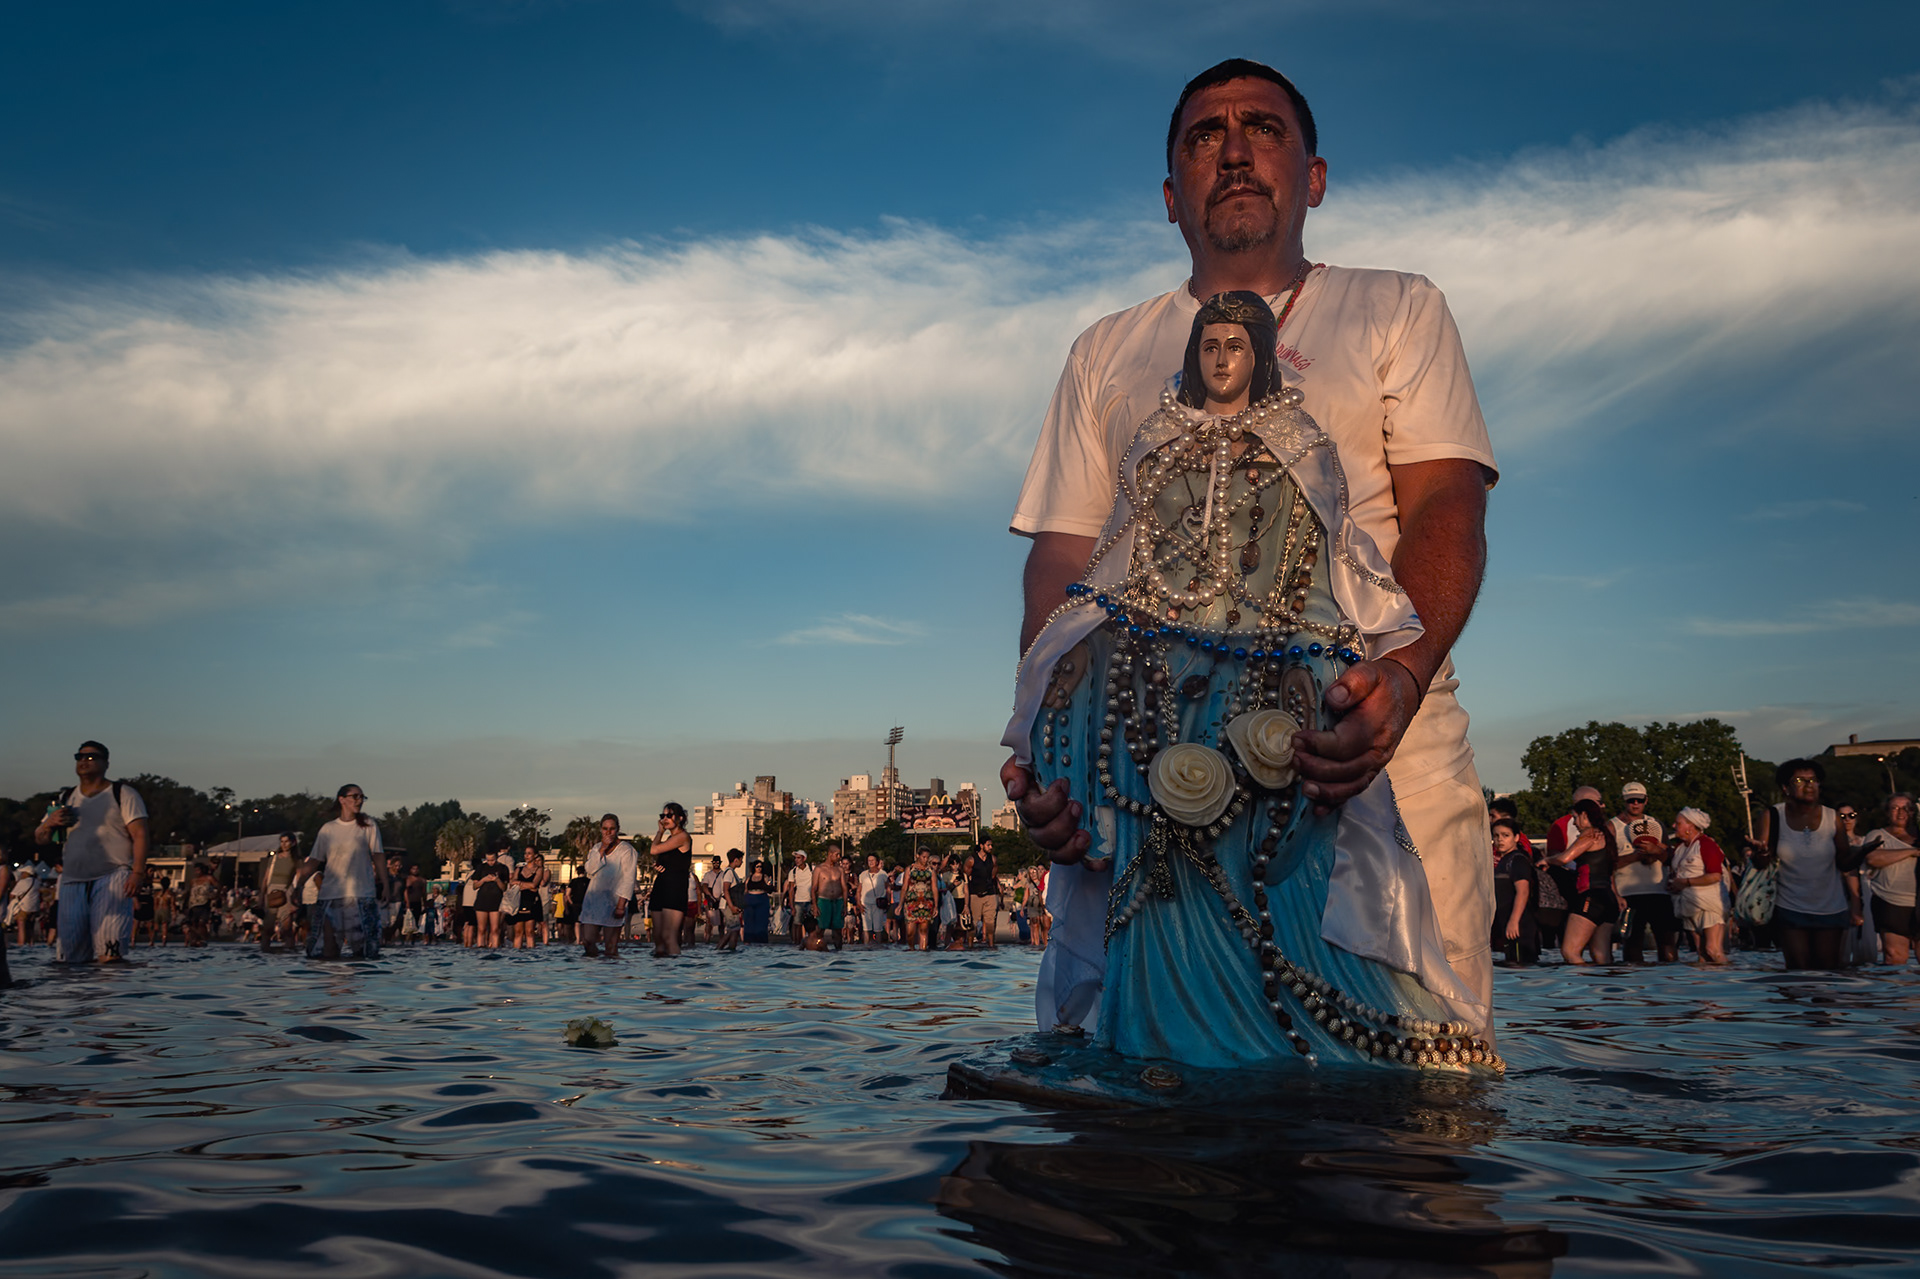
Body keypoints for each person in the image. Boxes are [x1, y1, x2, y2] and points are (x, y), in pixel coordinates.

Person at [1000, 60, 1499, 1062]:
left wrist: (1399, 680)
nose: (1232, 150)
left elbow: (1446, 502)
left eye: (1261, 128)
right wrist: (1052, 757)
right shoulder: (1105, 351)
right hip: (1143, 776)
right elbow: (1062, 564)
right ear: (1171, 197)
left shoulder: (1395, 307)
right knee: (1138, 1115)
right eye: (1202, 136)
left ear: (1313, 176)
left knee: (1411, 1108)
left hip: (1369, 747)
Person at [34, 741, 149, 964]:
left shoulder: (122, 793)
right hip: (72, 879)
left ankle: (108, 998)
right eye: (80, 757)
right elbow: (40, 838)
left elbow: (141, 835)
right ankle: (80, 998)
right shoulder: (65, 798)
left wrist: (137, 873)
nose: (84, 761)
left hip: (113, 875)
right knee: (69, 958)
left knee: (110, 952)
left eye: (91, 757)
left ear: (106, 763)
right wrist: (49, 823)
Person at [1748, 759, 1862, 971]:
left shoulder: (1832, 817)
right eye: (1800, 780)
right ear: (1786, 788)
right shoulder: (1774, 816)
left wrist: (1862, 852)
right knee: (1798, 973)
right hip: (1790, 905)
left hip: (1831, 906)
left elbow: (1844, 862)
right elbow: (1762, 862)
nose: (1809, 785)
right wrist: (1760, 853)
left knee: (1827, 974)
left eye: (1814, 780)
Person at [292, 785, 388, 959]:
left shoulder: (368, 825)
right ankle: (331, 983)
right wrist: (298, 885)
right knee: (326, 951)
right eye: (355, 796)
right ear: (342, 799)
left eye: (362, 797)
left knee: (364, 951)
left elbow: (378, 856)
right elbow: (314, 860)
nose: (359, 800)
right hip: (330, 895)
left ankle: (359, 983)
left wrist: (385, 885)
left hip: (360, 894)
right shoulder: (328, 829)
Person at [1551, 799, 1622, 966]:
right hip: (1608, 899)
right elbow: (1610, 871)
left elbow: (1564, 858)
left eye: (1575, 818)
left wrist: (1547, 860)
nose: (1574, 823)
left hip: (1591, 897)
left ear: (1584, 815)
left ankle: (1580, 988)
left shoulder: (1589, 834)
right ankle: (1607, 988)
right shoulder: (1605, 835)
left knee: (1570, 951)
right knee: (1601, 955)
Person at [1612, 782, 1676, 964]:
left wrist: (1656, 852)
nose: (1635, 804)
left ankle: (1670, 984)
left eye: (1639, 800)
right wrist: (1635, 856)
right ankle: (1635, 987)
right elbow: (1608, 864)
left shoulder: (1656, 825)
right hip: (1628, 894)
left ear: (1646, 801)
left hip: (1658, 892)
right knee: (1632, 945)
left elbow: (1670, 858)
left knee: (1667, 943)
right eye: (1630, 800)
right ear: (1624, 802)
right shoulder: (1613, 827)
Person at [1862, 793, 1919, 966]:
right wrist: (1912, 852)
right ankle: (1894, 991)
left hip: (1918, 903)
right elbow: (1873, 859)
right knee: (1895, 956)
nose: (1901, 813)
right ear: (1887, 812)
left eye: (1906, 809)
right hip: (1890, 901)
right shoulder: (1878, 835)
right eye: (1895, 808)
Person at [1666, 807, 1727, 964]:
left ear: (1690, 826)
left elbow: (1715, 876)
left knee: (1712, 950)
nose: (1674, 826)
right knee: (1701, 954)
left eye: (1678, 823)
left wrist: (1686, 883)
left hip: (1709, 904)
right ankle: (1704, 985)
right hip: (1687, 905)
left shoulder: (1706, 844)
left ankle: (1730, 982)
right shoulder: (1680, 848)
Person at [579, 815, 637, 958]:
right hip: (593, 901)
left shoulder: (626, 850)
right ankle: (595, 967)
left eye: (612, 829)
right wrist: (602, 849)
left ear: (617, 829)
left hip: (614, 902)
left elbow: (629, 879)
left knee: (610, 948)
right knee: (587, 940)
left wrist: (621, 905)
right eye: (605, 829)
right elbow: (590, 869)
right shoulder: (596, 848)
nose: (608, 832)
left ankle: (610, 974)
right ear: (601, 830)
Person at [647, 803, 693, 958]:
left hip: (675, 888)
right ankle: (660, 974)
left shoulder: (683, 837)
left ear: (680, 818)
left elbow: (654, 850)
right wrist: (659, 866)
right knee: (658, 939)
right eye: (662, 816)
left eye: (669, 815)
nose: (665, 819)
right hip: (661, 886)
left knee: (669, 937)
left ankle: (676, 973)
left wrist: (659, 832)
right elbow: (666, 860)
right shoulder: (670, 838)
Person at [1490, 818, 1536, 966]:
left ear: (1516, 837)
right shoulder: (1504, 861)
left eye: (1505, 835)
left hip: (1519, 926)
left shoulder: (1517, 860)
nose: (1500, 840)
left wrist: (1514, 921)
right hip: (1507, 925)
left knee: (1520, 965)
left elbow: (1523, 891)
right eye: (1496, 836)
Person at [258, 833, 302, 952]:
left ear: (292, 843)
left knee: (286, 927)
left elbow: (299, 880)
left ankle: (289, 949)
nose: (284, 844)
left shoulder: (296, 860)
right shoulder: (274, 859)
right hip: (272, 892)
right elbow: (266, 879)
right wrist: (261, 896)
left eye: (286, 841)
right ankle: (264, 950)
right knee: (268, 926)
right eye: (282, 841)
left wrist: (296, 898)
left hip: (286, 892)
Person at [966, 840, 1001, 948]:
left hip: (990, 893)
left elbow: (994, 871)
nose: (990, 847)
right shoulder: (971, 860)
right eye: (988, 845)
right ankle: (970, 945)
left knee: (990, 921)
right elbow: (967, 874)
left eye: (991, 845)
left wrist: (991, 880)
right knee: (974, 921)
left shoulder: (993, 859)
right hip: (975, 894)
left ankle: (991, 944)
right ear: (981, 846)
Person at [812, 843, 848, 951]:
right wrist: (814, 905)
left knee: (837, 930)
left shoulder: (840, 870)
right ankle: (818, 949)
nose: (839, 857)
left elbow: (844, 888)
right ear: (830, 854)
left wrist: (845, 905)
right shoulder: (819, 869)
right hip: (824, 901)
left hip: (838, 901)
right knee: (820, 929)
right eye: (837, 855)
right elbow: (814, 888)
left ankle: (838, 951)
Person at [903, 849, 938, 951]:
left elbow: (934, 888)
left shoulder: (931, 870)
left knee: (924, 930)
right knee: (910, 932)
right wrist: (900, 904)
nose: (926, 859)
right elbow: (904, 887)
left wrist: (935, 905)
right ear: (917, 856)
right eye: (924, 857)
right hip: (911, 902)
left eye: (927, 857)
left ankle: (922, 951)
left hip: (926, 902)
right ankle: (911, 948)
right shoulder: (910, 869)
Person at [184, 862, 221, 948]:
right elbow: (189, 893)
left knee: (202, 922)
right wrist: (185, 905)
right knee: (193, 923)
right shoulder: (193, 881)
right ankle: (195, 940)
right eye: (195, 870)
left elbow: (219, 886)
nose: (196, 872)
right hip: (193, 904)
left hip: (204, 903)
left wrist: (215, 896)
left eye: (198, 870)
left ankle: (204, 939)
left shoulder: (209, 878)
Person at [510, 854, 543, 949]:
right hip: (519, 901)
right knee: (518, 931)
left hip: (531, 901)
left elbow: (534, 885)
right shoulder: (519, 869)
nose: (526, 855)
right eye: (525, 853)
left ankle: (531, 953)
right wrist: (526, 885)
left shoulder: (539, 869)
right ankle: (516, 952)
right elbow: (512, 883)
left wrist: (520, 884)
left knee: (529, 931)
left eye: (529, 853)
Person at [716, 848, 745, 951]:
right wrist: (732, 906)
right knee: (733, 929)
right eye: (741, 859)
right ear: (736, 860)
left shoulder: (731, 872)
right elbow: (726, 890)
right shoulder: (729, 873)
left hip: (730, 905)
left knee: (734, 929)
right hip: (728, 905)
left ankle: (729, 949)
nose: (742, 862)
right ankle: (721, 948)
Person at [784, 851, 815, 947]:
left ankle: (811, 942)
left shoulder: (812, 869)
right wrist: (792, 905)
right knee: (797, 923)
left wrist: (815, 902)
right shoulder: (793, 872)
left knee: (811, 924)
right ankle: (797, 943)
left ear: (804, 859)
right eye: (795, 858)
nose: (796, 860)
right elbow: (791, 890)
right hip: (798, 900)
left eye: (798, 858)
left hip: (809, 900)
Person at [858, 853, 888, 949]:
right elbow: (859, 890)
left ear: (877, 862)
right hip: (865, 903)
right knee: (866, 928)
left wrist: (887, 902)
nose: (870, 862)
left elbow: (888, 889)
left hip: (878, 904)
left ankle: (878, 947)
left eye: (873, 860)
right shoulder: (863, 875)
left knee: (878, 928)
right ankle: (867, 947)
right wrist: (859, 904)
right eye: (869, 860)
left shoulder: (883, 874)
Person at [742, 858, 773, 944]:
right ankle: (748, 939)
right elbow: (745, 889)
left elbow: (769, 887)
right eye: (757, 866)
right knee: (749, 921)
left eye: (760, 866)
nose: (759, 868)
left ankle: (761, 940)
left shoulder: (765, 877)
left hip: (761, 899)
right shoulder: (749, 877)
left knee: (761, 921)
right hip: (750, 899)